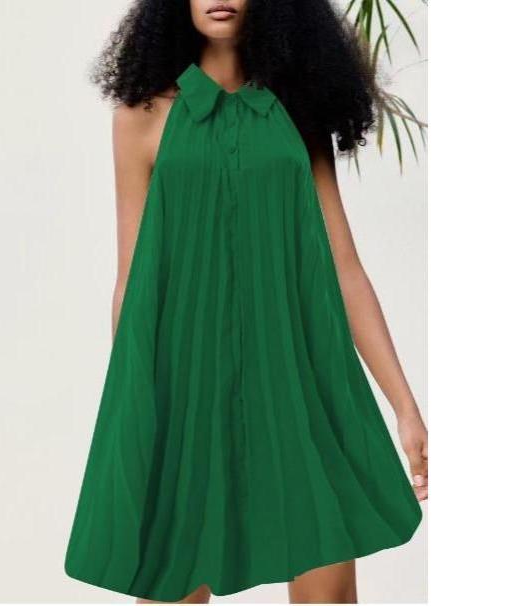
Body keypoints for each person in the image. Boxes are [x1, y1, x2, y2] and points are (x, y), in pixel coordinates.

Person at [64, 1, 428, 603]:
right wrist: (132, 407)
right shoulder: (141, 115)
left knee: (328, 584)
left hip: (297, 376)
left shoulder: (298, 111)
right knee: (171, 581)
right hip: (183, 381)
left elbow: (344, 266)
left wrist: (405, 407)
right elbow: (130, 275)